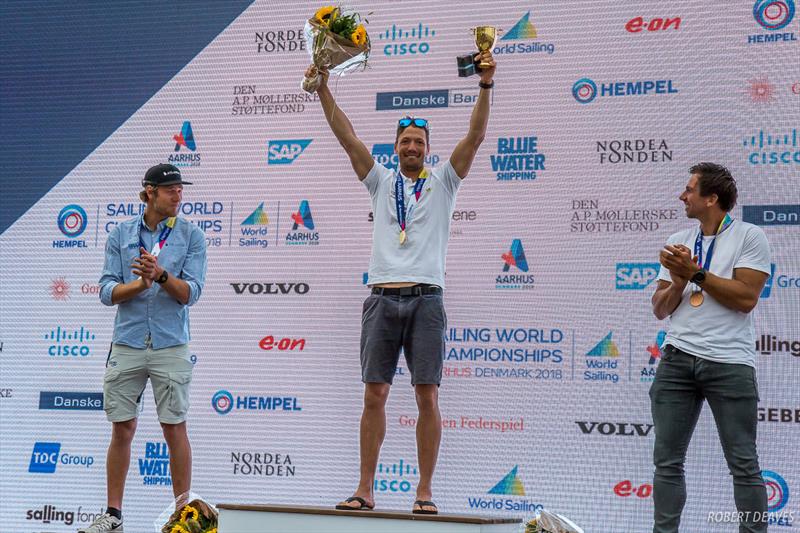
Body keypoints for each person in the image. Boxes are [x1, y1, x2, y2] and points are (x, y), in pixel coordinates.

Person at [305, 50, 496, 515]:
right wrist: (323, 86)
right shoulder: (380, 180)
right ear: (396, 146)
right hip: (381, 299)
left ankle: (424, 493)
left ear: (428, 148)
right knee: (374, 394)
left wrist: (485, 86)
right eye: (405, 141)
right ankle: (365, 489)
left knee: (427, 395)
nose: (412, 148)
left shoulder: (446, 180)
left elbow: (474, 135)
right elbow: (347, 137)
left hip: (427, 299)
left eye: (419, 142)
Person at [80, 164, 207, 533]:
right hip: (128, 341)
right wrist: (139, 285)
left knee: (174, 429)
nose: (178, 196)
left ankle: (183, 518)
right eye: (171, 190)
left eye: (181, 189)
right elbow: (106, 291)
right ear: (149, 192)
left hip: (171, 343)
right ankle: (113, 516)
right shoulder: (120, 233)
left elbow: (191, 294)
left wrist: (162, 276)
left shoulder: (191, 235)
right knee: (122, 429)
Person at [650, 162, 771, 533]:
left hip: (729, 363)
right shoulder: (680, 241)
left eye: (689, 189)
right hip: (676, 359)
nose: (682, 196)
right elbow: (659, 309)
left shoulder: (750, 237)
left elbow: (746, 298)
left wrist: (696, 274)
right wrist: (676, 283)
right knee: (667, 462)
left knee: (743, 464)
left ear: (712, 198)